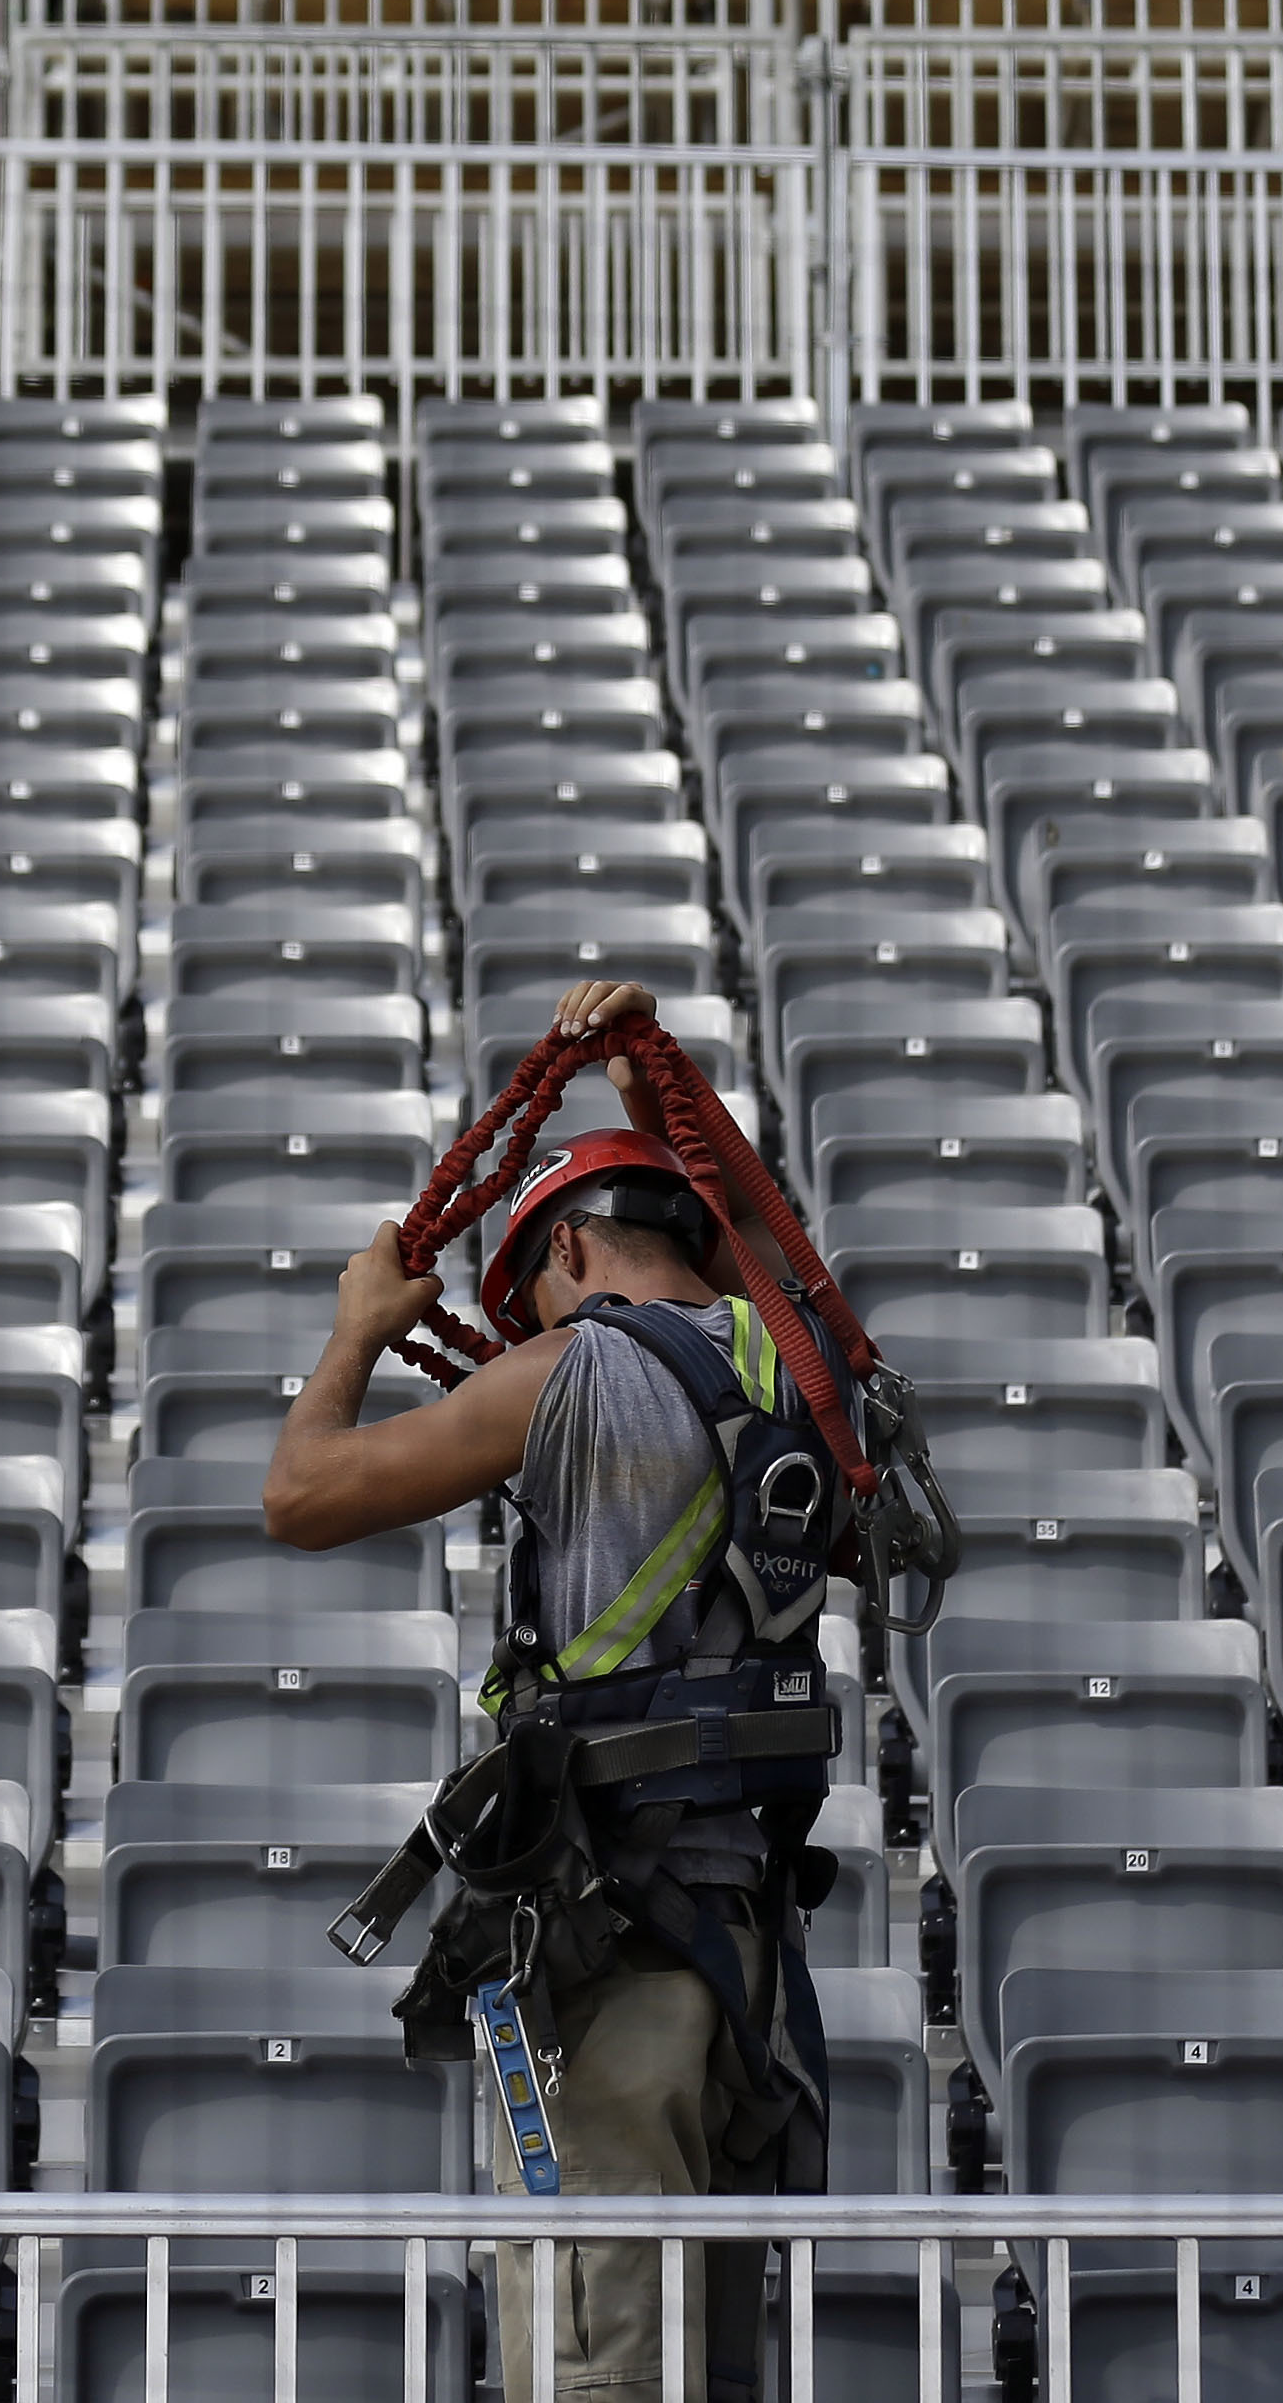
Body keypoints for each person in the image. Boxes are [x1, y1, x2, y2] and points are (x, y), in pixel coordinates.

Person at [264, 977, 848, 2403]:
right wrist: (654, 1082)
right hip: (746, 1937)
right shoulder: (806, 1367)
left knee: (593, 2343)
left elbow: (303, 1496)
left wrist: (358, 1325)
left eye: (521, 1291)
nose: (513, 1324)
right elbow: (764, 1228)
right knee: (707, 2349)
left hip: (614, 1931)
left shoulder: (569, 1372)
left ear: (572, 1249)